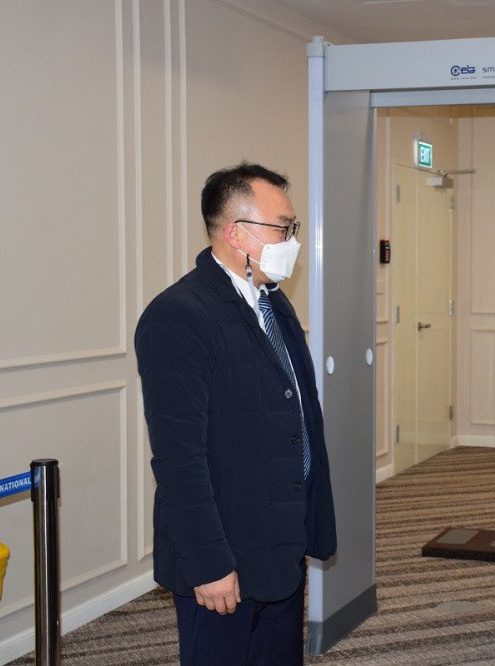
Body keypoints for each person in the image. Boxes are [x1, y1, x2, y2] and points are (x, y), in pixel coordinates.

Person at [135, 161, 336, 665]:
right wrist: (209, 563)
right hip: (224, 557)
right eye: (283, 227)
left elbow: (296, 416)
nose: (293, 241)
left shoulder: (273, 304)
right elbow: (179, 458)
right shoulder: (180, 315)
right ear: (236, 233)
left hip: (279, 546)